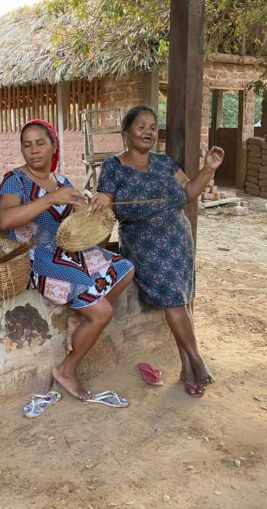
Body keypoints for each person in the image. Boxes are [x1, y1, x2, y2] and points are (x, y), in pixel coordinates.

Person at [0, 119, 135, 400]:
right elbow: (6, 219)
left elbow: (83, 233)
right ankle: (67, 370)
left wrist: (92, 210)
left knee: (125, 268)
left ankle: (78, 320)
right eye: (27, 145)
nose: (34, 150)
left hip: (70, 253)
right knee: (102, 313)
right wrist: (50, 199)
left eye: (40, 143)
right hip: (37, 259)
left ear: (53, 146)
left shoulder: (62, 182)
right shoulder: (15, 180)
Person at [91, 106, 224, 397]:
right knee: (175, 300)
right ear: (126, 133)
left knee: (182, 301)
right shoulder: (113, 167)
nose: (148, 131)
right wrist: (101, 197)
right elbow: (106, 201)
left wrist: (209, 168)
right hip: (145, 246)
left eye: (152, 126)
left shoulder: (165, 163)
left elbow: (189, 192)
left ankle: (188, 369)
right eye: (141, 126)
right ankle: (198, 362)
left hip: (178, 240)